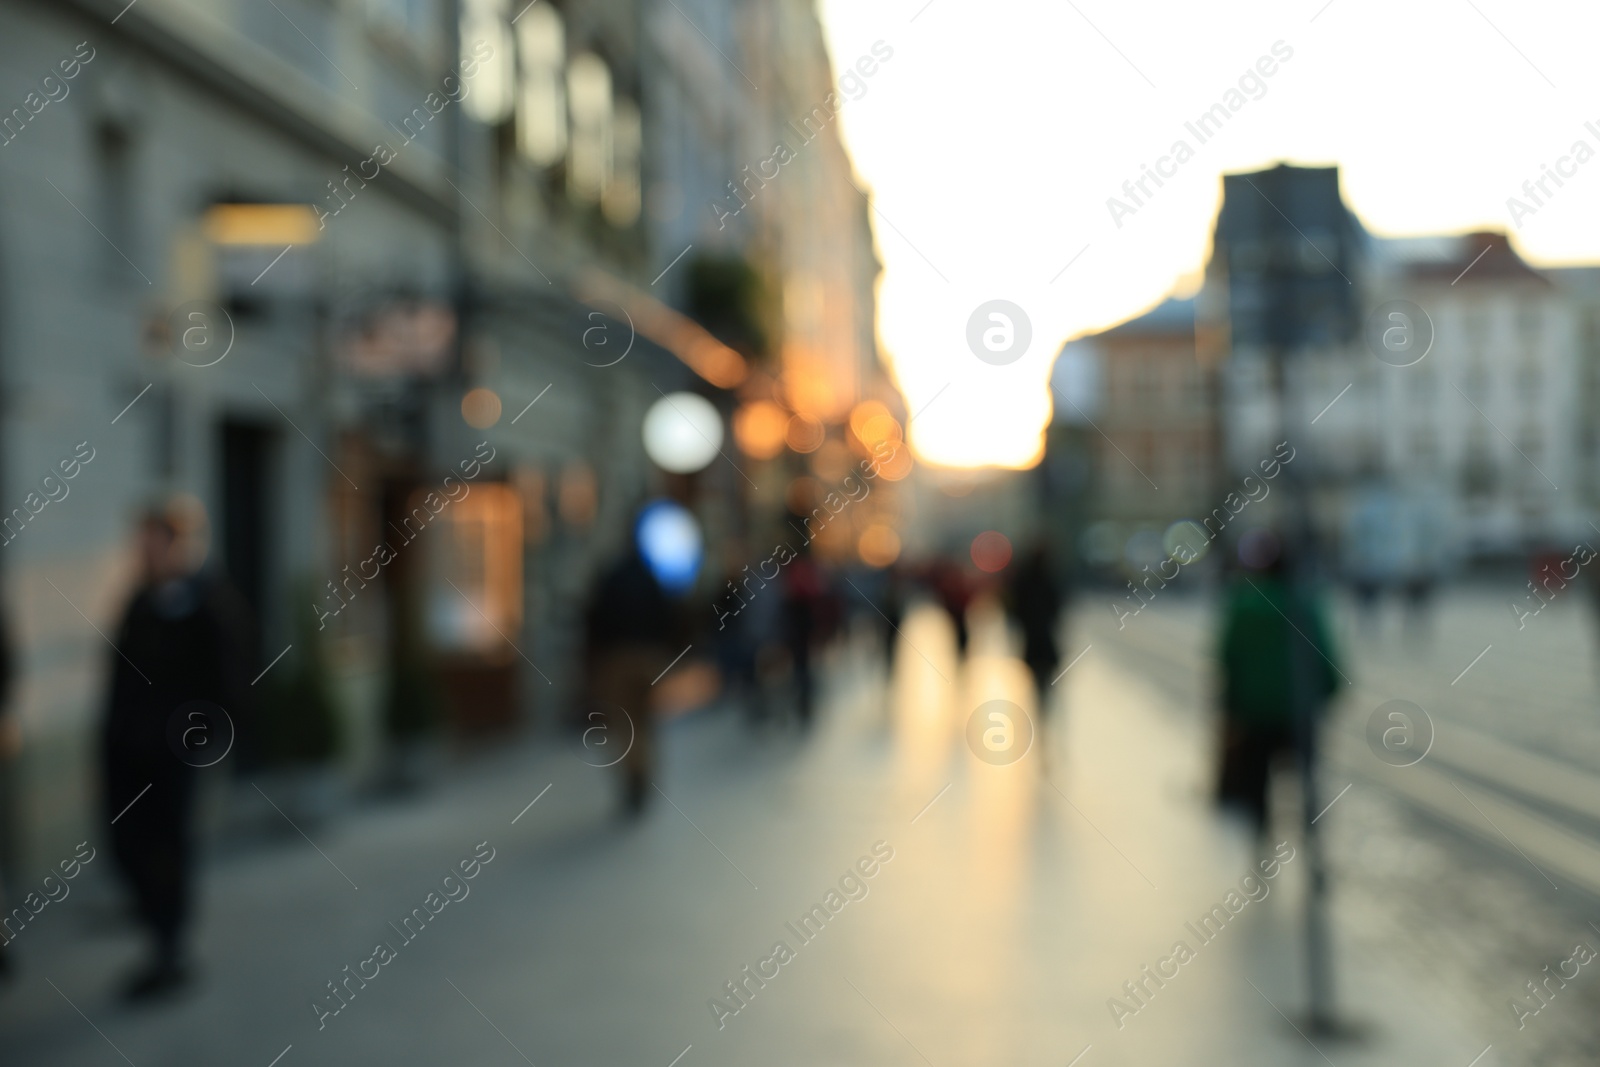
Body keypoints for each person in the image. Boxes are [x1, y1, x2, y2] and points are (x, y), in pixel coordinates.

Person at [102, 496, 252, 1000]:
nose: (144, 552)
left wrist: (193, 745)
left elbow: (227, 686)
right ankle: (154, 929)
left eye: (152, 541)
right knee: (128, 846)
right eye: (140, 542)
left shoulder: (209, 604)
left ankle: (169, 949)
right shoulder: (139, 602)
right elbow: (118, 681)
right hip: (127, 757)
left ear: (175, 544)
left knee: (169, 849)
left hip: (173, 760)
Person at [1216, 529, 1340, 837]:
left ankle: (1261, 837)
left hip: (1254, 713)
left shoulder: (1243, 605)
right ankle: (1312, 836)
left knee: (1257, 780)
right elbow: (1325, 658)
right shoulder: (1305, 605)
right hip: (1298, 710)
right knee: (1307, 777)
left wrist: (1232, 706)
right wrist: (1325, 694)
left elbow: (1227, 659)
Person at [584, 538, 678, 816]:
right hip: (649, 657)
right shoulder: (651, 579)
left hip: (618, 658)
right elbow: (667, 616)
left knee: (625, 722)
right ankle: (643, 773)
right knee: (646, 721)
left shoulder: (611, 579)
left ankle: (633, 775)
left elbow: (596, 617)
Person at [1006, 543, 1064, 721]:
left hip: (1032, 638)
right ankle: (1043, 708)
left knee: (1037, 676)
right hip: (1044, 639)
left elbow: (1014, 608)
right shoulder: (1050, 578)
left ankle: (1040, 707)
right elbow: (1056, 608)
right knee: (1044, 677)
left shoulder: (1023, 579)